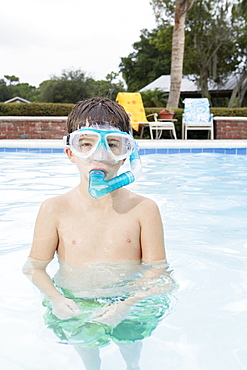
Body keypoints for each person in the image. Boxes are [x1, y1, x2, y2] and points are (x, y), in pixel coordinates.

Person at [22, 97, 171, 369]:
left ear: (127, 154)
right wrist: (56, 299)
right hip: (76, 303)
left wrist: (127, 304)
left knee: (130, 345)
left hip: (129, 301)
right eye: (86, 144)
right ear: (70, 152)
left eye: (112, 144)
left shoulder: (144, 210)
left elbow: (157, 271)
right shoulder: (54, 209)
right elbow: (34, 268)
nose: (99, 155)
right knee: (88, 354)